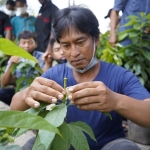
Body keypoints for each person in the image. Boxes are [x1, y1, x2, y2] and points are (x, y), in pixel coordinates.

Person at [10, 6, 150, 150]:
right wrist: (27, 94)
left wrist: (116, 101)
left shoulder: (119, 75)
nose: (74, 52)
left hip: (108, 146)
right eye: (66, 45)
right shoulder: (53, 76)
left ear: (96, 39)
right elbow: (14, 109)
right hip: (64, 146)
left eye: (80, 42)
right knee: (32, 145)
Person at [1, 30, 44, 105]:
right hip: (19, 92)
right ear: (18, 44)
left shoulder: (42, 57)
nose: (26, 46)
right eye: (23, 43)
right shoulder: (15, 58)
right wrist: (11, 64)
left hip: (37, 91)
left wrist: (38, 66)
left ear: (36, 44)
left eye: (30, 42)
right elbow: (4, 83)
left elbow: (46, 80)